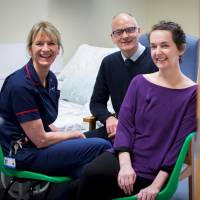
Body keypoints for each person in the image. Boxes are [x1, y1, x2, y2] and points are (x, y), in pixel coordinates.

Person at [69, 21, 197, 200]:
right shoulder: (139, 82)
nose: (158, 52)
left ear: (181, 48)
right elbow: (125, 126)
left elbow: (178, 146)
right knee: (84, 176)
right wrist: (126, 165)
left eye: (165, 46)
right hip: (126, 156)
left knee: (86, 182)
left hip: (153, 169)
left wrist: (156, 185)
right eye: (153, 46)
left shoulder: (193, 93)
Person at [0, 21, 111, 178]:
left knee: (85, 169)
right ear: (30, 49)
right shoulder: (20, 85)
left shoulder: (51, 79)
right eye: (39, 43)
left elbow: (44, 120)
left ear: (58, 49)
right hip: (24, 154)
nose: (46, 49)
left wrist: (66, 139)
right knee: (102, 146)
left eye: (51, 43)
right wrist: (71, 135)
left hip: (39, 146)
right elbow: (40, 140)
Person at [84, 12, 157, 141]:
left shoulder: (155, 59)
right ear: (112, 37)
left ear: (138, 31)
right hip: (118, 129)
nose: (125, 36)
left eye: (130, 30)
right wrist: (108, 118)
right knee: (77, 144)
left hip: (147, 133)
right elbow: (96, 102)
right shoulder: (108, 63)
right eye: (118, 32)